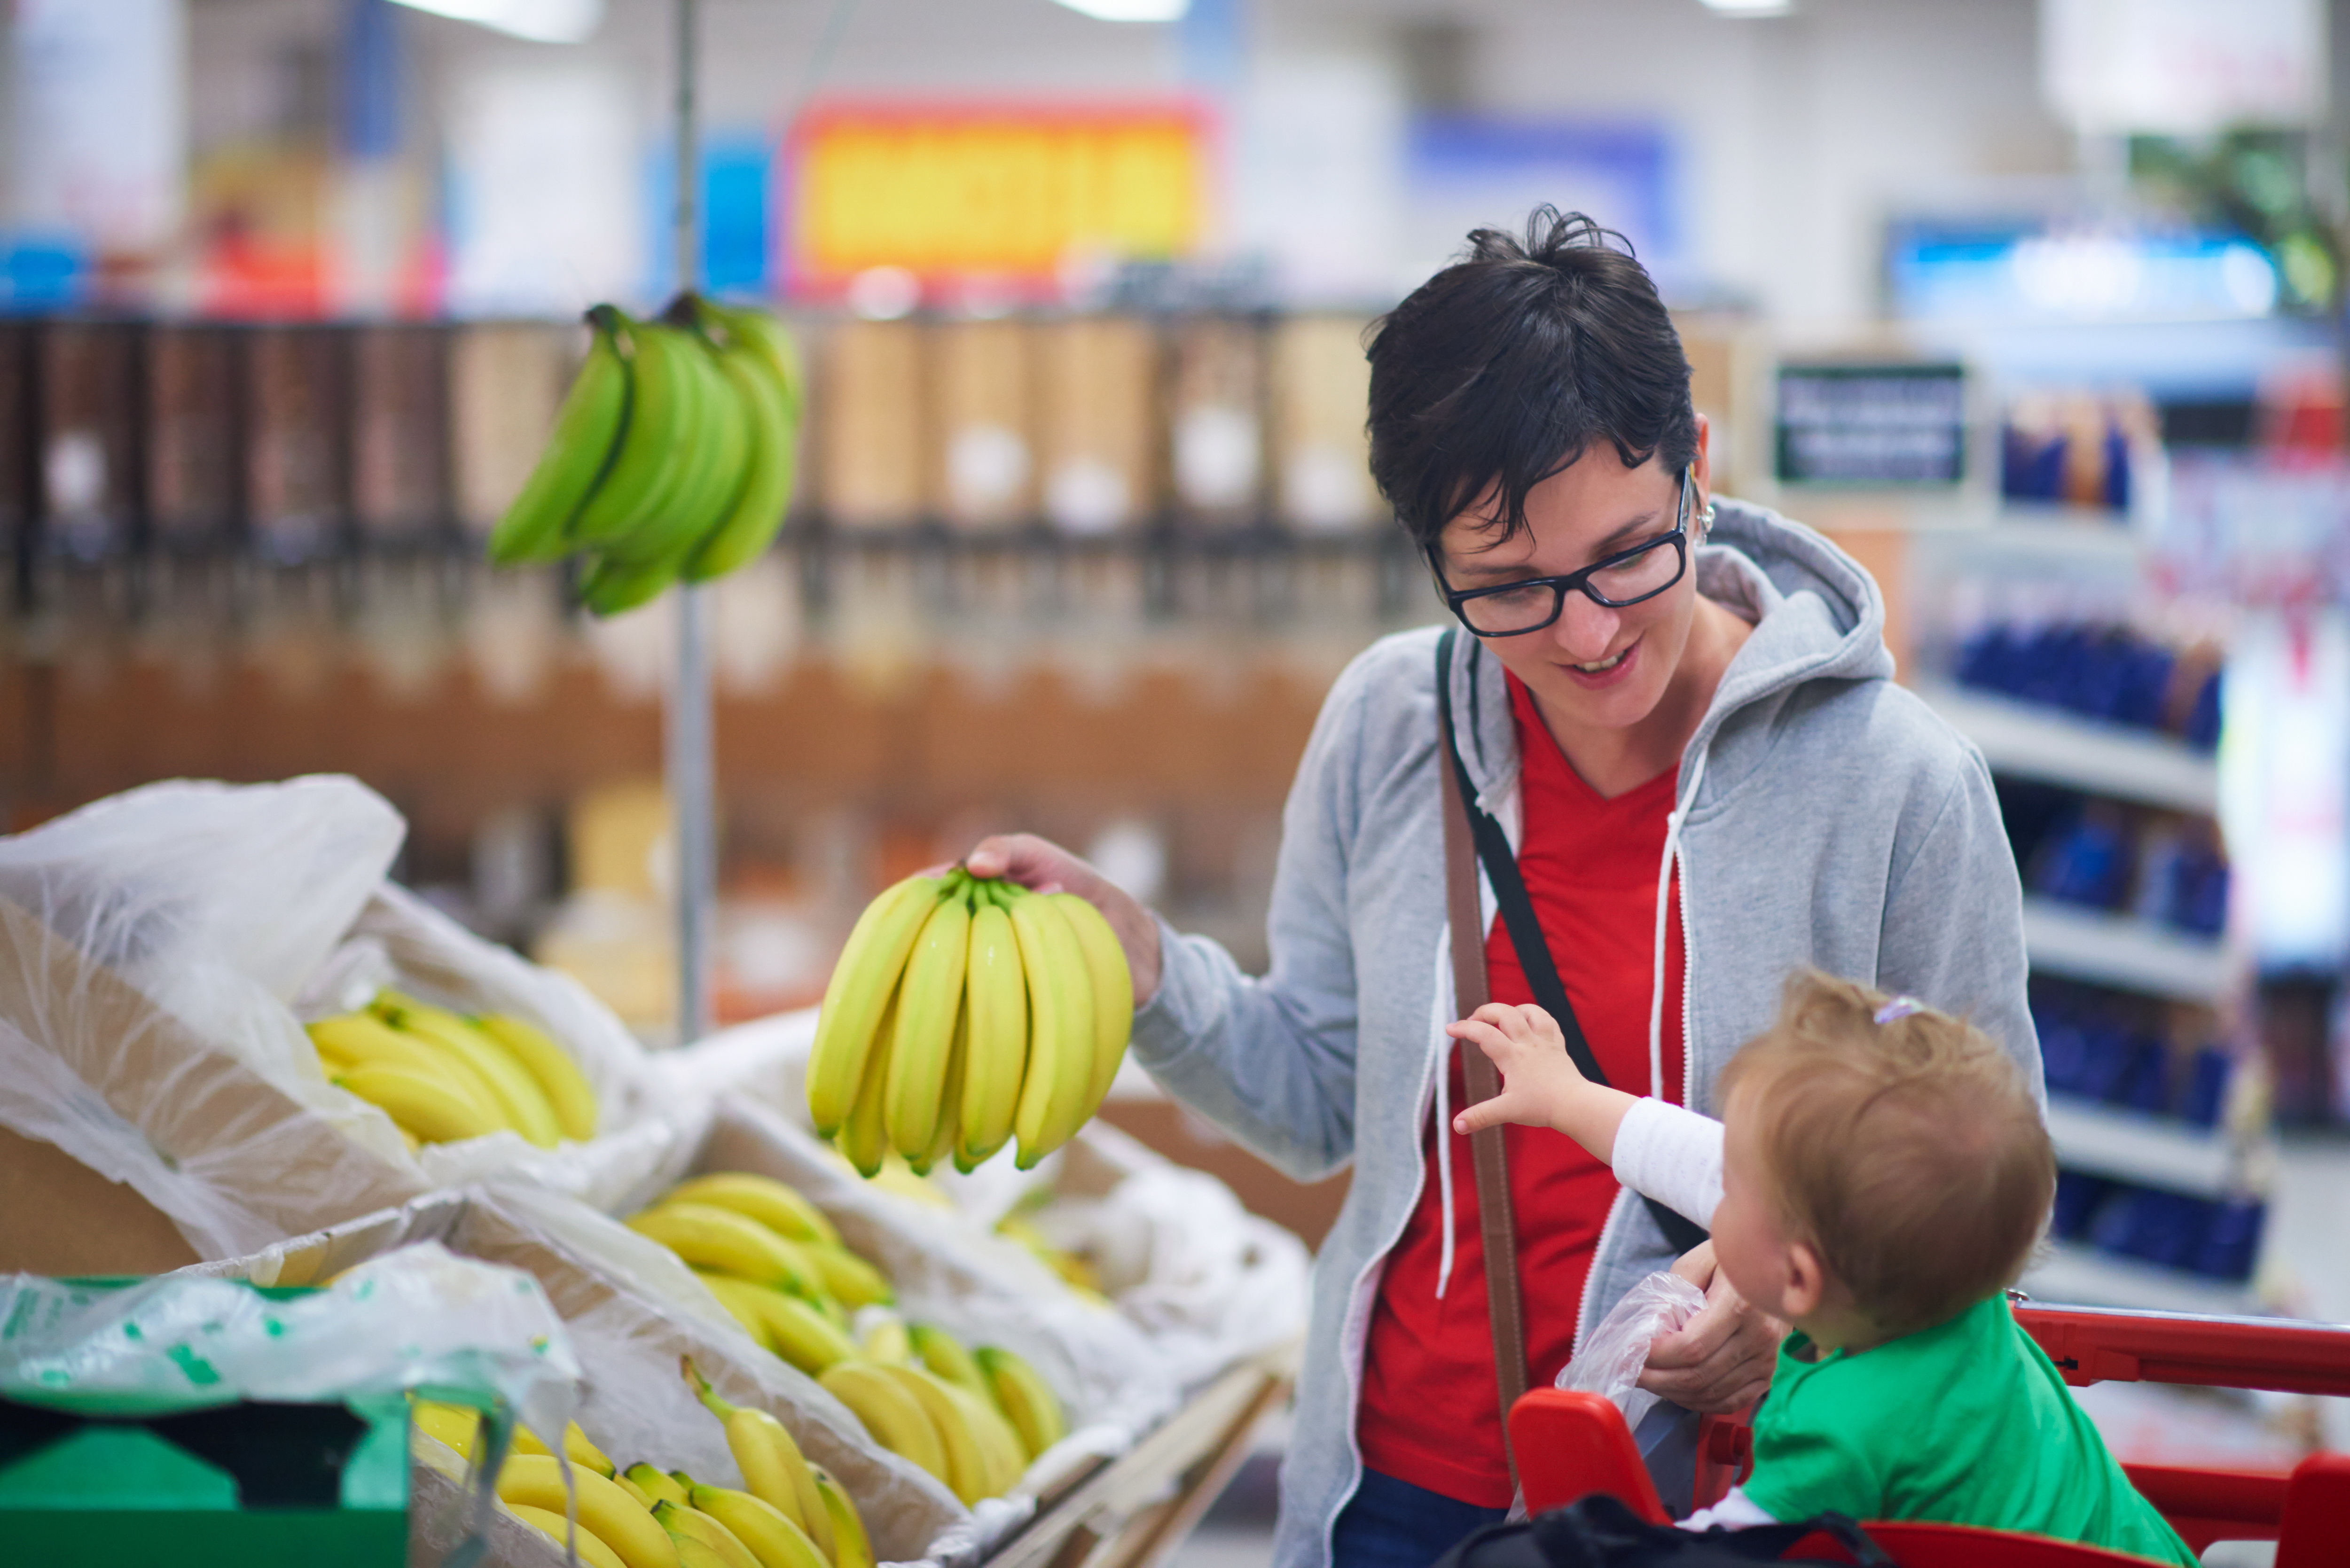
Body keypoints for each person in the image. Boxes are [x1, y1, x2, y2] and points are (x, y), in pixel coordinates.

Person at [959, 207, 2037, 1568]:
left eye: (1624, 555)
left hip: (1716, 1506)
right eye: (1511, 587)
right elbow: (1312, 1098)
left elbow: (1998, 1194)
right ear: (1431, 557)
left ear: (1696, 472)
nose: (1586, 633)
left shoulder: (1896, 787)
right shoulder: (1386, 723)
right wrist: (1144, 968)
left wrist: (1806, 1309)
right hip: (1386, 1491)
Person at [1448, 974, 2195, 1566]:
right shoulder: (1947, 1289)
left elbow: (1720, 1552)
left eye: (1731, 1187)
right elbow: (1706, 1162)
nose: (1714, 1184)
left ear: (1798, 1279)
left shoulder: (1837, 1427)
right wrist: (1569, 1096)